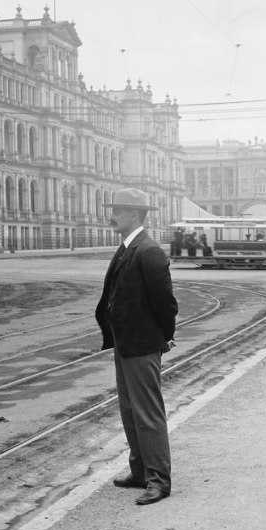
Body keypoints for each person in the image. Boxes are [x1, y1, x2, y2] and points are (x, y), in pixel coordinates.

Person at [96, 188, 178, 506]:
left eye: (117, 210)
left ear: (133, 214)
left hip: (143, 345)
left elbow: (166, 303)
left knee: (148, 415)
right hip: (126, 343)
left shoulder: (148, 251)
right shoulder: (128, 247)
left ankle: (159, 480)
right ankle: (140, 471)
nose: (112, 215)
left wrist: (163, 336)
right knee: (130, 412)